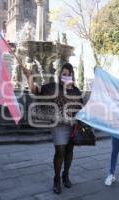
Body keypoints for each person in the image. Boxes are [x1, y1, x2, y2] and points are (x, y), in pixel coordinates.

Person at [23, 63, 83, 194]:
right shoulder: (53, 87)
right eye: (63, 74)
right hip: (58, 124)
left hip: (72, 125)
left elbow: (81, 107)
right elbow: (35, 90)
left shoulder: (77, 90)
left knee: (69, 151)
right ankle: (56, 179)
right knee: (60, 150)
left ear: (72, 75)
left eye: (68, 74)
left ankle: (65, 175)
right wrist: (29, 77)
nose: (65, 76)